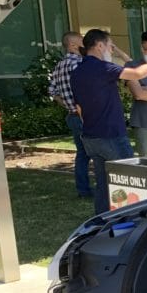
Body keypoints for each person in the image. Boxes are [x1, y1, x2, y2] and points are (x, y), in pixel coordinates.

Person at [70, 29, 147, 214]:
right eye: (110, 46)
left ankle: (102, 219)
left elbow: (79, 109)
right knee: (129, 181)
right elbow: (136, 74)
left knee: (103, 183)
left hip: (91, 136)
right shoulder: (102, 68)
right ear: (100, 46)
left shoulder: (77, 72)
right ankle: (130, 218)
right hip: (112, 135)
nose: (111, 50)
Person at [47, 31, 92, 198]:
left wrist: (67, 104)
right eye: (82, 41)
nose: (85, 43)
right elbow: (84, 89)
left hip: (72, 115)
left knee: (82, 154)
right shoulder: (79, 63)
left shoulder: (59, 66)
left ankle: (83, 189)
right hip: (84, 115)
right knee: (97, 151)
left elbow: (52, 91)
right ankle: (91, 189)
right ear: (73, 45)